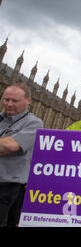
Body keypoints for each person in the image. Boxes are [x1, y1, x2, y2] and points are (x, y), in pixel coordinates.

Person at [0, 83, 43, 227]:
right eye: (6, 100)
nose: (9, 104)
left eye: (15, 101)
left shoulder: (34, 123)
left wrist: (9, 144)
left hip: (7, 188)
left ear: (29, 101)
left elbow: (12, 146)